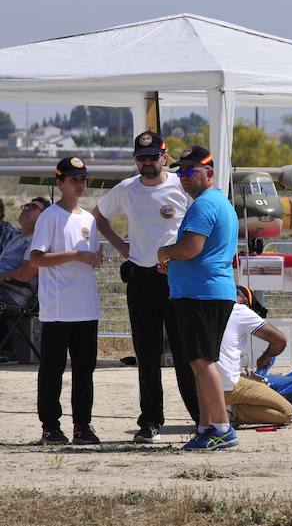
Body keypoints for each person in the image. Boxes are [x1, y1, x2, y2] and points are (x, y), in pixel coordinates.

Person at [93, 131, 198, 444]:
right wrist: (121, 246)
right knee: (147, 354)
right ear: (135, 159)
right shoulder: (127, 189)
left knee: (185, 352)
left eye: (154, 157)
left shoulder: (181, 185)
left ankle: (201, 417)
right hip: (141, 278)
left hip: (178, 277)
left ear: (165, 156)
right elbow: (98, 216)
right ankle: (151, 420)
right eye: (142, 158)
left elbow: (204, 220)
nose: (148, 163)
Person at [158, 146, 239, 450]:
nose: (184, 177)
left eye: (191, 171)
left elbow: (192, 248)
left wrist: (166, 252)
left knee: (203, 362)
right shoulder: (217, 202)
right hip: (205, 291)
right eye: (181, 171)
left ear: (209, 172)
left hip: (202, 294)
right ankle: (207, 426)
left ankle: (222, 428)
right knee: (200, 362)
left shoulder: (204, 205)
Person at [29, 157, 103, 445]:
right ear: (59, 182)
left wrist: (95, 258)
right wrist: (74, 255)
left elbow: (89, 255)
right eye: (73, 179)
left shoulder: (88, 219)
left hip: (85, 306)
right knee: (52, 369)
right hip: (58, 308)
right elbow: (36, 258)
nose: (80, 184)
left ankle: (82, 425)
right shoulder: (50, 216)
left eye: (83, 179)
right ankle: (50, 426)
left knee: (85, 370)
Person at [218, 286, 292, 426]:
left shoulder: (206, 309)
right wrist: (266, 356)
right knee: (286, 412)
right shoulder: (239, 310)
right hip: (227, 386)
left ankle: (219, 407)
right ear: (245, 302)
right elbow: (280, 341)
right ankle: (229, 410)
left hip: (203, 386)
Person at [0, 197, 51, 362]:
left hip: (13, 293)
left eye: (33, 207)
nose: (26, 208)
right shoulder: (18, 237)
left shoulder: (37, 241)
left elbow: (26, 274)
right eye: (26, 205)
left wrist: (2, 277)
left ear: (44, 217)